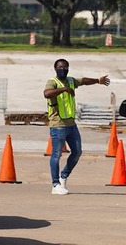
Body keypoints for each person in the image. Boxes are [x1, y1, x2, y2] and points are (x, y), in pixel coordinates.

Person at [44, 58, 110, 195]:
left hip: (71, 124)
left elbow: (84, 80)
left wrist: (98, 80)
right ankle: (55, 184)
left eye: (65, 67)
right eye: (60, 67)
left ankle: (64, 176)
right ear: (55, 68)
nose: (63, 69)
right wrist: (64, 89)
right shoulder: (53, 82)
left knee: (77, 151)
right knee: (56, 154)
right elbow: (47, 94)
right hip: (58, 124)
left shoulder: (71, 80)